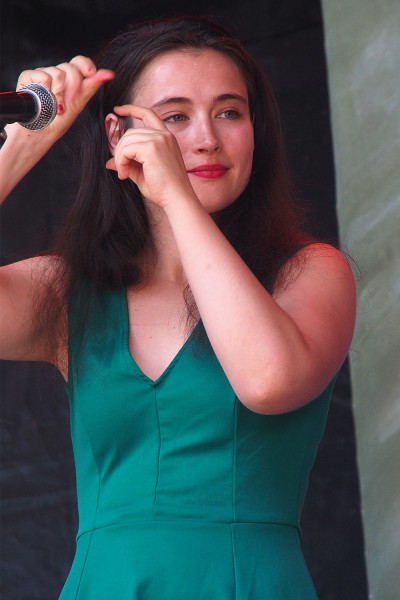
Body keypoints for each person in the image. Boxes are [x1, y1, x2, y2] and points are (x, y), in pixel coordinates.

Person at [0, 15, 356, 600]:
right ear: (118, 137)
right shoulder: (70, 293)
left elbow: (269, 380)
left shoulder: (310, 271)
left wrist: (176, 200)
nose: (206, 138)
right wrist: (21, 148)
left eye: (229, 112)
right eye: (173, 117)